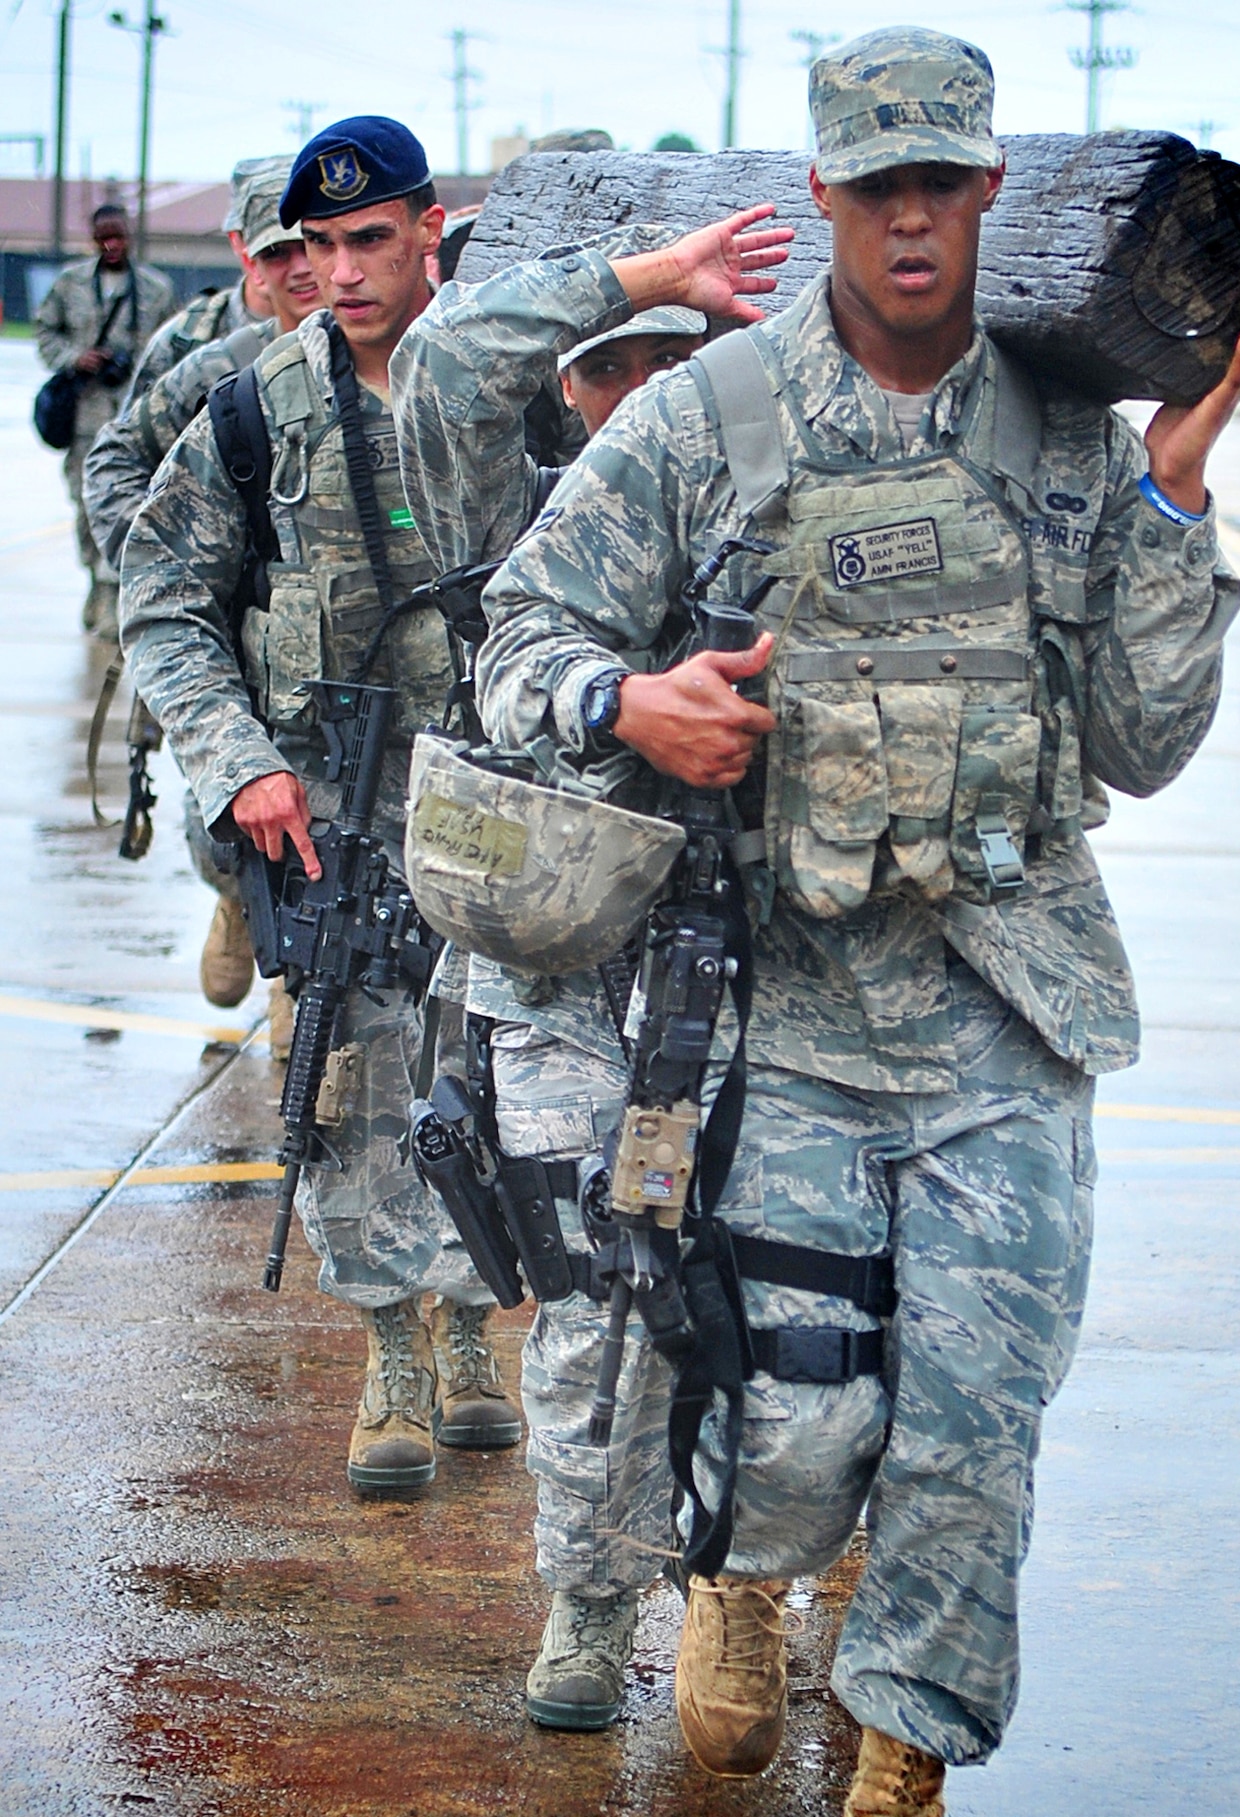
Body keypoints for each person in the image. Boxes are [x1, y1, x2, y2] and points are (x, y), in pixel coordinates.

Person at [462, 27, 1240, 1817]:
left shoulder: (1071, 438)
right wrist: (625, 701)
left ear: (992, 193)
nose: (911, 216)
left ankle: (900, 1790)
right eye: (875, 182)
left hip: (1007, 1009)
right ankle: (744, 1569)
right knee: (807, 1430)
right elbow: (515, 642)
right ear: (824, 195)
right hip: (787, 1024)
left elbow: (1147, 746)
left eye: (943, 182)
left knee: (978, 1424)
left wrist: (1171, 501)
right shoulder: (709, 420)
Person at [122, 117, 783, 1504]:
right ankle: (392, 1353)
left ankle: (478, 1329)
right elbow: (165, 599)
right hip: (334, 815)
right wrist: (236, 760)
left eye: (372, 239)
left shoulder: (530, 381)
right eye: (318, 246)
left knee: (493, 1091)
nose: (343, 271)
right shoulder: (249, 412)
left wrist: (654, 284)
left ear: (434, 231)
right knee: (352, 1095)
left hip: (512, 806)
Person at [84, 157, 321, 1024]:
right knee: (228, 815)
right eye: (280, 248)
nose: (302, 265)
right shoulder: (218, 362)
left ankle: (302, 1001)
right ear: (244, 255)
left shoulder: (400, 358)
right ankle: (236, 901)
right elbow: (119, 458)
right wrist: (156, 563)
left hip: (334, 641)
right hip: (237, 632)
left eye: (317, 243)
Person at [35, 205, 174, 637]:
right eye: (103, 238)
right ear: (92, 239)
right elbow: (45, 332)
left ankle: (117, 590)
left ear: (130, 235)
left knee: (133, 508)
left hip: (137, 419)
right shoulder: (69, 284)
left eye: (118, 236)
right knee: (85, 506)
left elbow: (174, 348)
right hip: (85, 418)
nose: (111, 245)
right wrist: (75, 358)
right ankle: (96, 583)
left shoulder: (156, 290)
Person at [121, 155, 315, 407]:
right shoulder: (186, 340)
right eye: (276, 249)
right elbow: (133, 439)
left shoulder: (358, 331)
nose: (301, 267)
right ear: (239, 242)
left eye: (310, 243)